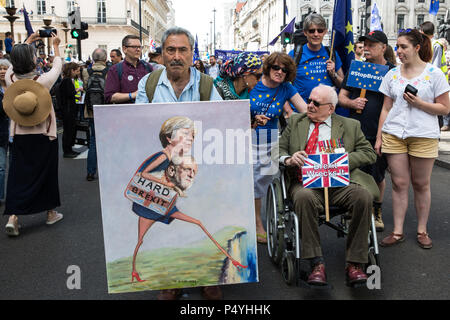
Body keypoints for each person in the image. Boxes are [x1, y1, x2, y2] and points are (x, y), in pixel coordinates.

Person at [135, 26, 223, 300]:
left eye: (182, 50)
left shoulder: (207, 85)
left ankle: (207, 277)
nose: (176, 56)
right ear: (161, 54)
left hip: (199, 169)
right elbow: (136, 126)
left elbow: (220, 124)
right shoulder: (148, 85)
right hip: (166, 175)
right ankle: (171, 279)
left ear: (192, 54)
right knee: (167, 229)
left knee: (205, 217)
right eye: (170, 50)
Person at [129, 118, 246, 290]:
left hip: (164, 203)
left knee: (197, 223)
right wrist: (166, 184)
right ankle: (135, 272)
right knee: (140, 239)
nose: (190, 138)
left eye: (192, 136)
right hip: (152, 205)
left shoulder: (174, 158)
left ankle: (233, 260)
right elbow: (142, 173)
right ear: (169, 138)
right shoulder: (163, 156)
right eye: (185, 134)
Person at [279, 84, 378, 286]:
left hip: (339, 183)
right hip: (305, 184)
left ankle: (355, 263)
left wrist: (342, 161)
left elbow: (369, 153)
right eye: (309, 100)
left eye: (316, 103)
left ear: (331, 108)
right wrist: (289, 159)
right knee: (304, 197)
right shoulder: (296, 121)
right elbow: (278, 149)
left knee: (363, 196)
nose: (310, 105)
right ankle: (316, 263)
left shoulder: (350, 125)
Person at [375, 29, 450, 249]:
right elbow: (386, 108)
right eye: (397, 47)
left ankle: (422, 230)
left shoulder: (434, 74)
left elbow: (445, 107)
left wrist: (420, 104)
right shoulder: (392, 74)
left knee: (420, 183)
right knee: (399, 184)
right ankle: (397, 231)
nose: (398, 51)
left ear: (417, 47)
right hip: (394, 134)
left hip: (423, 135)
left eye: (403, 47)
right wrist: (379, 137)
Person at [4, 32, 63, 237]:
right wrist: (55, 46)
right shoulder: (43, 81)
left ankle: (14, 217)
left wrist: (27, 42)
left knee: (18, 176)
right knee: (47, 174)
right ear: (33, 60)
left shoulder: (10, 79)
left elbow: (12, 66)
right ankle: (50, 212)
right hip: (44, 135)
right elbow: (57, 66)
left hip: (19, 135)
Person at [338, 30, 396, 232]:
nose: (366, 48)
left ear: (383, 48)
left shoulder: (393, 72)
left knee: (377, 175)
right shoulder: (357, 69)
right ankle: (355, 206)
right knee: (354, 172)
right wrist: (351, 102)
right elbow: (341, 97)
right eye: (365, 44)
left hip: (379, 133)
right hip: (355, 132)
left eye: (372, 45)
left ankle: (376, 211)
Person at [250, 52, 308, 244]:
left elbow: (305, 109)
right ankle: (257, 223)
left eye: (284, 70)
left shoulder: (286, 88)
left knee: (263, 182)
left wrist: (323, 111)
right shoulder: (253, 83)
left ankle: (262, 218)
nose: (280, 72)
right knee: (251, 181)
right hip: (245, 139)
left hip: (270, 141)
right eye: (276, 67)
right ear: (268, 67)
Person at [288, 13, 345, 112]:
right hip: (301, 113)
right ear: (305, 33)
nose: (316, 34)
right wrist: (289, 111)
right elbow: (281, 84)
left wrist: (333, 74)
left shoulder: (332, 54)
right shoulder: (294, 54)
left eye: (320, 30)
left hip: (326, 113)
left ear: (325, 32)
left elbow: (343, 85)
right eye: (311, 31)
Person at [82, 48, 109, 181]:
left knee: (93, 141)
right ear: (105, 59)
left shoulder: (86, 71)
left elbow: (86, 88)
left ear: (93, 58)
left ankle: (90, 172)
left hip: (91, 110)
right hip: (107, 111)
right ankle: (108, 170)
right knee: (108, 141)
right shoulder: (110, 71)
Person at [104, 35, 152, 104]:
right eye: (134, 47)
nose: (138, 49)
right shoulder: (115, 70)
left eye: (140, 47)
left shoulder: (148, 67)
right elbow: (109, 96)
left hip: (147, 111)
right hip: (125, 112)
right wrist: (131, 95)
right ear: (124, 49)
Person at [59, 62, 82, 158]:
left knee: (69, 130)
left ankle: (69, 149)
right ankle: (67, 151)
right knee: (68, 131)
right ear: (72, 70)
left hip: (67, 109)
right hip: (68, 110)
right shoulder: (67, 81)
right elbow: (70, 94)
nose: (78, 73)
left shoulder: (66, 80)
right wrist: (78, 90)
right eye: (77, 71)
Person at [0, 59, 11, 205]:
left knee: (16, 168)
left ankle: (16, 195)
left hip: (16, 132)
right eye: (0, 68)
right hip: (1, 132)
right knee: (1, 167)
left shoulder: (14, 86)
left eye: (5, 68)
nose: (2, 71)